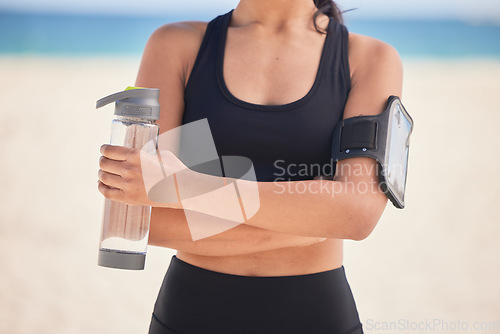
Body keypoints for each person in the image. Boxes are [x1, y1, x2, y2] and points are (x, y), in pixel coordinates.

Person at [97, 0, 403, 333]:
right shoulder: (176, 46)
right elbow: (145, 223)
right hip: (191, 315)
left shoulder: (368, 59)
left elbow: (355, 214)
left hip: (316, 316)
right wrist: (312, 223)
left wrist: (183, 185)